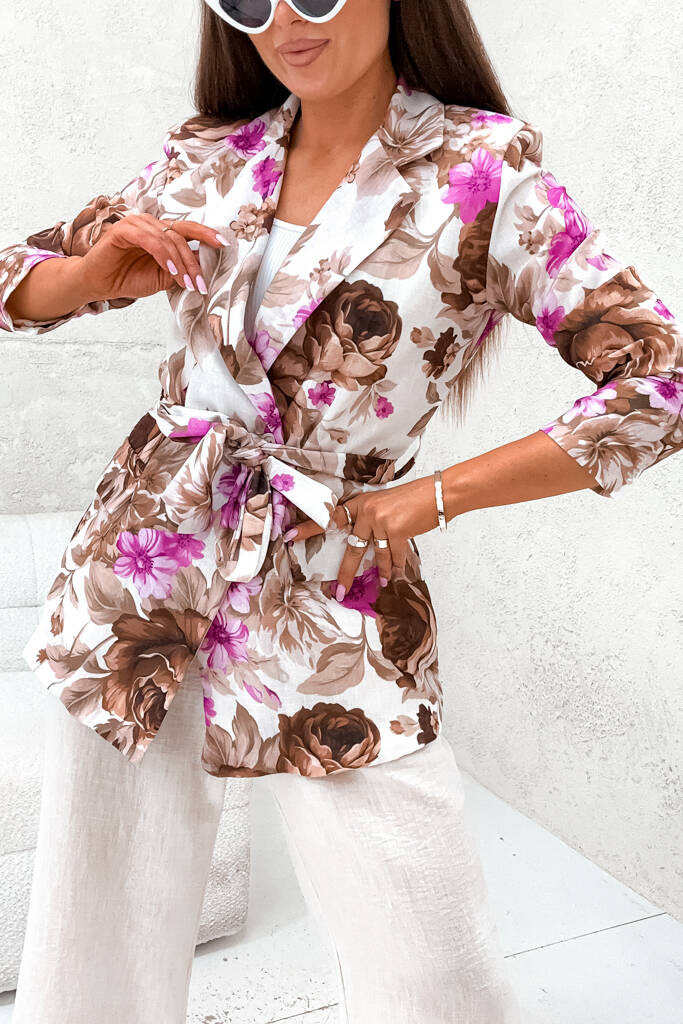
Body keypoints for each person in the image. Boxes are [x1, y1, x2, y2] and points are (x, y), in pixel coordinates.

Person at [1, 0, 680, 1021]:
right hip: (146, 558)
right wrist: (89, 277)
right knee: (95, 919)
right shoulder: (208, 156)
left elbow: (658, 383)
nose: (282, 20)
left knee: (425, 950)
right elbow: (14, 279)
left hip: (331, 571)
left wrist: (430, 499)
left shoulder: (480, 169)